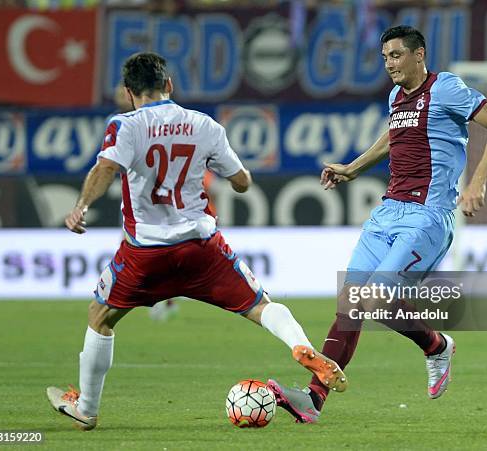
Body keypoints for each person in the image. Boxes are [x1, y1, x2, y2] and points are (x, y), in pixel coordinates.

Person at [45, 52, 347, 431]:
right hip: (203, 247)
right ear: (169, 85)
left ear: (128, 93)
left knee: (101, 317)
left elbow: (106, 167)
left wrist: (81, 206)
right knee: (260, 305)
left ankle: (87, 408)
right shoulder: (203, 124)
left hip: (147, 253)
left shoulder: (125, 125)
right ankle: (299, 347)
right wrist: (230, 172)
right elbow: (242, 182)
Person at [268, 25, 487, 423]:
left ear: (419, 55)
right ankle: (313, 400)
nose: (390, 65)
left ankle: (436, 347)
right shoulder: (396, 97)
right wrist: (351, 168)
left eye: (397, 56)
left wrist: (477, 182)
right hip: (387, 214)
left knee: (378, 298)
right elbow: (391, 139)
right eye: (385, 58)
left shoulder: (446, 88)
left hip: (427, 216)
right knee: (350, 304)